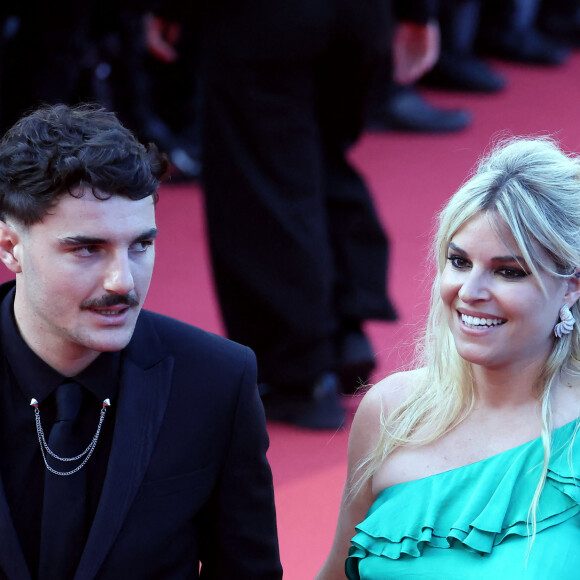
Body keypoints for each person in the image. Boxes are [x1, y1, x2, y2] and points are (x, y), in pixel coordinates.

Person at [0, 103, 282, 580]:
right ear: (12, 248)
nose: (121, 281)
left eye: (141, 245)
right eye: (87, 249)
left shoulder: (216, 382)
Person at [147, 0, 441, 429]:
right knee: (320, 153)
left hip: (262, 19)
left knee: (262, 176)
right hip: (360, 18)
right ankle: (342, 333)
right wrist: (418, 11)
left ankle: (298, 371)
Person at [316, 137, 580, 578]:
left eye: (508, 271)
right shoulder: (392, 409)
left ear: (570, 287)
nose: (470, 292)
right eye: (459, 262)